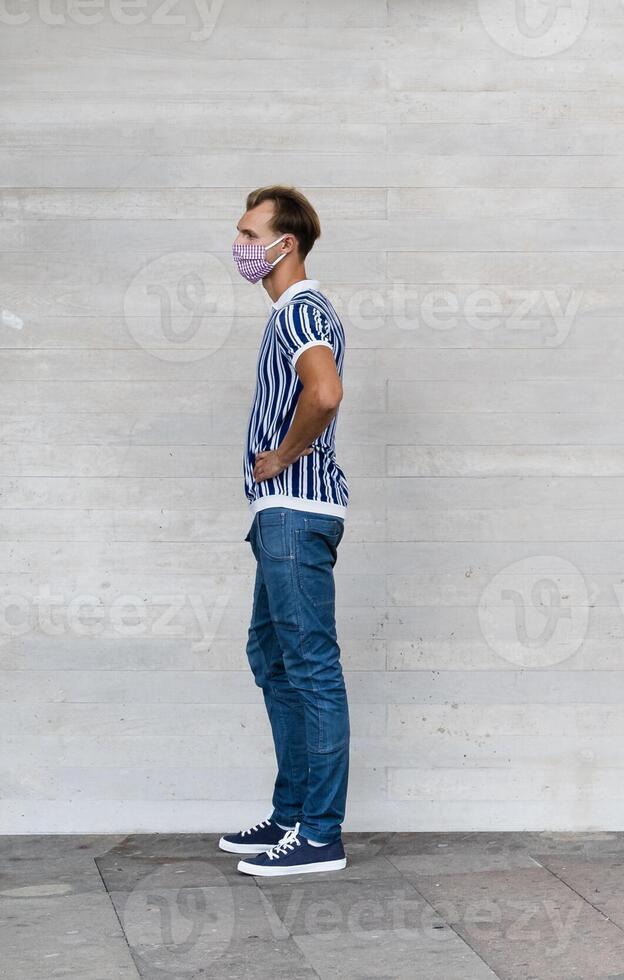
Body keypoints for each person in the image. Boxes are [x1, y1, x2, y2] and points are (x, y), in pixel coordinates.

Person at [215, 186, 353, 876]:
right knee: (272, 658)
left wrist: (287, 454)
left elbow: (323, 392)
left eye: (248, 233)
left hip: (296, 511)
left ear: (284, 242)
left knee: (308, 666)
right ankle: (294, 811)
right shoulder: (288, 314)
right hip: (283, 515)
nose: (240, 246)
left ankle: (320, 834)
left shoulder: (300, 309)